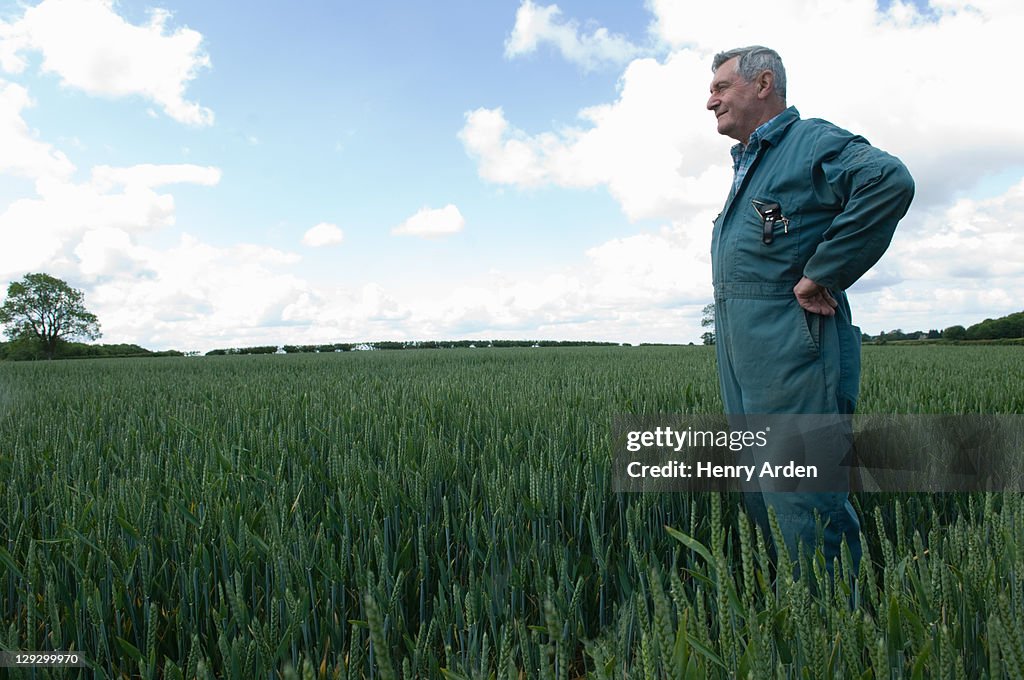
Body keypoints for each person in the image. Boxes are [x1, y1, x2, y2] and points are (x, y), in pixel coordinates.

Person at [706, 46, 914, 574]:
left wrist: (825, 271)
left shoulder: (807, 141)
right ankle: (788, 623)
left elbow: (888, 179)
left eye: (721, 88)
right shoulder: (752, 161)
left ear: (763, 84)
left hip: (795, 351)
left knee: (802, 498)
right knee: (760, 490)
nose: (710, 102)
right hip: (745, 355)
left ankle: (832, 637)